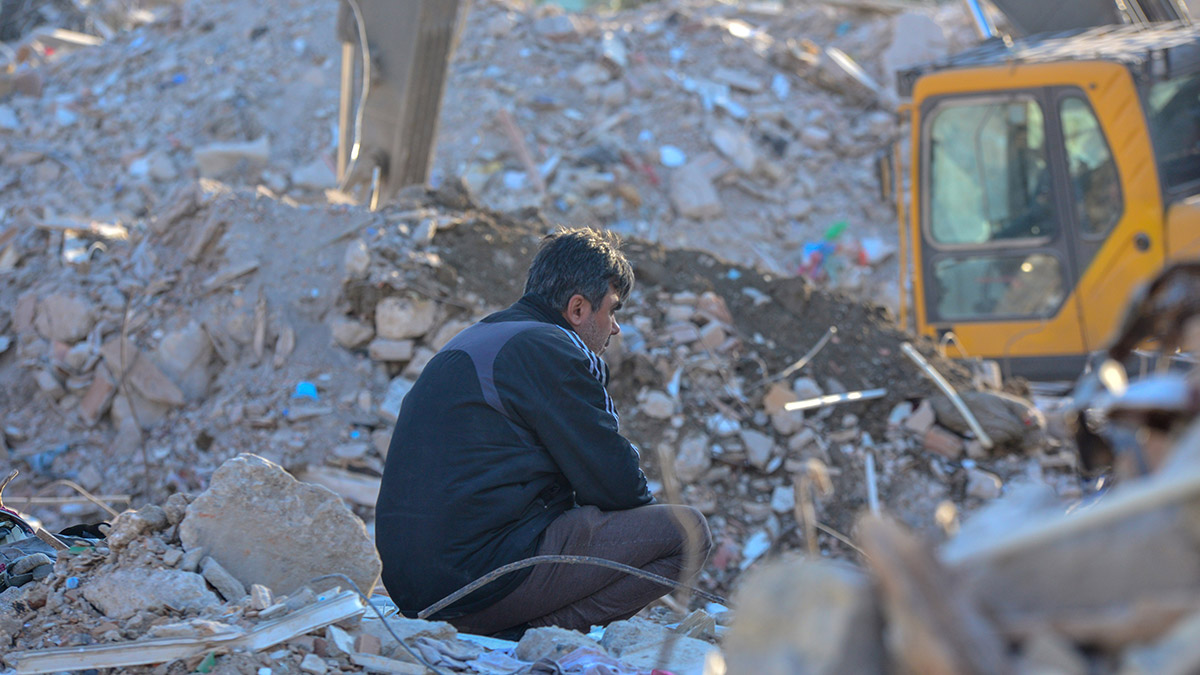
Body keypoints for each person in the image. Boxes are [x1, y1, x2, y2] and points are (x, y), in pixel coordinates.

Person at [374, 227, 712, 637]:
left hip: (413, 587)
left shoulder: (478, 338)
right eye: (612, 310)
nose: (615, 328)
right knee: (686, 533)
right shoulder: (554, 347)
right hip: (475, 582)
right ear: (577, 309)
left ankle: (514, 625)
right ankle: (538, 633)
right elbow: (617, 487)